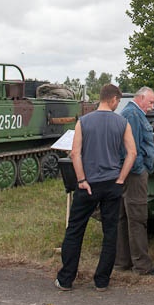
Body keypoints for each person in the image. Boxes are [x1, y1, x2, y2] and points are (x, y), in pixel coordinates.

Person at [55, 84, 136, 292]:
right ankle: (102, 280)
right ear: (114, 100)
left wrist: (81, 180)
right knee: (110, 232)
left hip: (88, 183)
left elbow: (75, 153)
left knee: (75, 230)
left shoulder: (84, 121)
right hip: (112, 183)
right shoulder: (123, 122)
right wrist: (121, 179)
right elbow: (132, 153)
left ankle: (66, 279)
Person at [115, 86, 154, 276]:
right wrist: (140, 169)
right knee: (137, 218)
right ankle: (142, 266)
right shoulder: (133, 115)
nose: (152, 107)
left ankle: (122, 261)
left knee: (124, 218)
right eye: (150, 102)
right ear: (141, 98)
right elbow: (131, 148)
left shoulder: (129, 113)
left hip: (127, 172)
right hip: (134, 174)